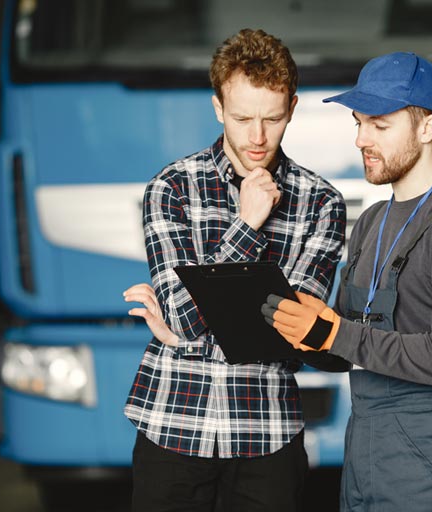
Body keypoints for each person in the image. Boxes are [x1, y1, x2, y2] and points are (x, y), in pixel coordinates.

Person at [262, 52, 432, 511]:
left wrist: (334, 331)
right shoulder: (372, 221)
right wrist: (306, 335)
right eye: (358, 123)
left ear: (427, 128)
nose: (360, 140)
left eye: (379, 125)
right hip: (366, 459)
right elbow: (349, 346)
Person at [122, 29, 346, 512]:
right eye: (242, 118)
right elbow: (187, 316)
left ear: (292, 107)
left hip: (268, 430)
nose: (257, 137)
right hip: (173, 424)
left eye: (272, 118)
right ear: (218, 108)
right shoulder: (171, 188)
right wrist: (247, 223)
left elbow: (290, 328)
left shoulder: (322, 202)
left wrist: (187, 330)